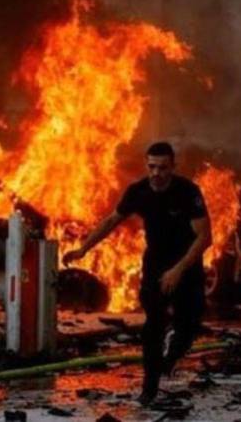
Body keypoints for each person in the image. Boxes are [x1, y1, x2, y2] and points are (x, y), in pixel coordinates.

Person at [63, 142, 212, 405]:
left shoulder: (187, 193)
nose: (156, 173)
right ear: (147, 165)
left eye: (163, 168)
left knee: (189, 325)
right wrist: (83, 249)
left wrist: (177, 271)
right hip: (155, 265)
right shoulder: (139, 191)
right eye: (152, 167)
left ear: (173, 167)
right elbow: (111, 221)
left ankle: (173, 354)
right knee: (153, 327)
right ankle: (149, 388)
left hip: (187, 268)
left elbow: (204, 237)